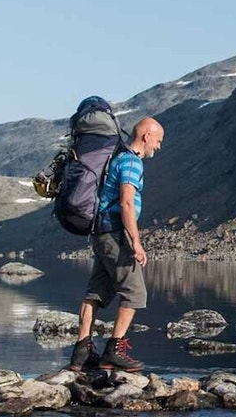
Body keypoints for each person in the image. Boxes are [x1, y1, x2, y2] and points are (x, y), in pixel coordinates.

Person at [68, 117, 164, 372]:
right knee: (135, 293)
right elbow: (126, 202)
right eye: (158, 140)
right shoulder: (132, 162)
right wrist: (136, 242)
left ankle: (81, 353)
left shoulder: (116, 159)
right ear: (146, 136)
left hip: (100, 233)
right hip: (115, 234)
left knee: (96, 293)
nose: (158, 146)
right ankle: (114, 351)